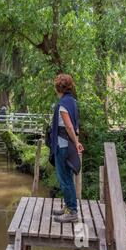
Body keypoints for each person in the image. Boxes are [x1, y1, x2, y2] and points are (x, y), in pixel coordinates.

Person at [50, 74, 84, 223]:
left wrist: (76, 142)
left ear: (58, 88)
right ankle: (68, 207)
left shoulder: (63, 104)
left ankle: (72, 211)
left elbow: (69, 126)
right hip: (68, 145)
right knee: (68, 177)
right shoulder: (73, 102)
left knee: (64, 179)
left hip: (63, 145)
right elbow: (76, 125)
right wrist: (76, 141)